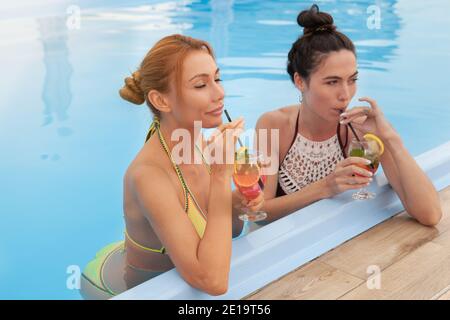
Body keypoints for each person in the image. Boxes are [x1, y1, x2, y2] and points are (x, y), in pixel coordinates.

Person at [80, 34, 264, 299]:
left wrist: (239, 202)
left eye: (217, 79)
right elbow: (213, 282)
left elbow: (225, 226)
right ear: (162, 101)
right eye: (201, 85)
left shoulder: (199, 140)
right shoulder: (148, 176)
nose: (220, 93)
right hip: (120, 289)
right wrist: (222, 173)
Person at [255, 5, 442, 226]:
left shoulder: (363, 130)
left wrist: (390, 138)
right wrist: (326, 187)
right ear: (300, 81)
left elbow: (430, 214)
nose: (346, 95)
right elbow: (259, 213)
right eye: (332, 82)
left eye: (352, 80)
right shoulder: (273, 126)